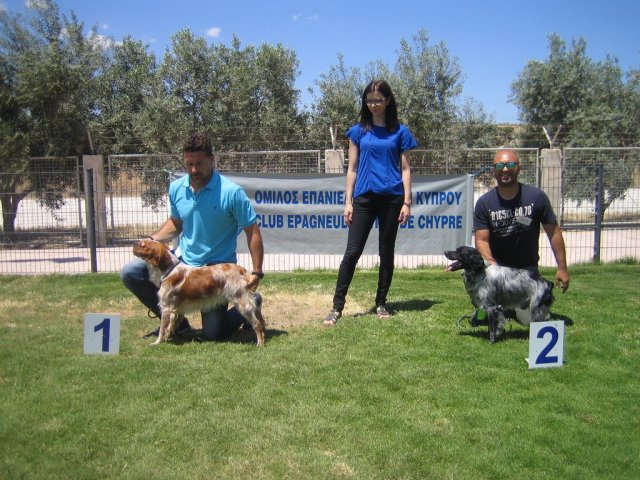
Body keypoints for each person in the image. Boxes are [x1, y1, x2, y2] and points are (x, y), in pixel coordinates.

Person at [120, 132, 264, 340]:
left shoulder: (232, 192)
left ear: (212, 160)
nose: (194, 170)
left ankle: (253, 300)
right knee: (131, 272)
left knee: (214, 334)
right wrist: (152, 240)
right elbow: (175, 223)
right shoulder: (177, 188)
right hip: (183, 262)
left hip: (215, 270)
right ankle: (177, 324)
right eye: (189, 164)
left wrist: (257, 272)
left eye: (199, 163)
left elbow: (253, 231)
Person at [323, 80, 417, 326]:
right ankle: (337, 307)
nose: (373, 104)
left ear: (387, 101)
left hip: (392, 198)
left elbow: (406, 169)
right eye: (369, 100)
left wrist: (407, 202)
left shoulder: (401, 132)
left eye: (377, 100)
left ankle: (381, 302)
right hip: (364, 197)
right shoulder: (358, 131)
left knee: (386, 252)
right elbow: (351, 169)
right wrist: (348, 202)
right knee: (352, 252)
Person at [470, 149, 570, 324]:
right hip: (498, 271)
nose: (505, 170)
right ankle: (485, 309)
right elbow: (481, 240)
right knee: (486, 301)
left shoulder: (536, 197)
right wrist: (492, 266)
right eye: (500, 165)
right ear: (494, 170)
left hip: (526, 272)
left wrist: (562, 268)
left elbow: (553, 232)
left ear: (519, 168)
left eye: (510, 165)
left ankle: (516, 307)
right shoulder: (484, 203)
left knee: (533, 322)